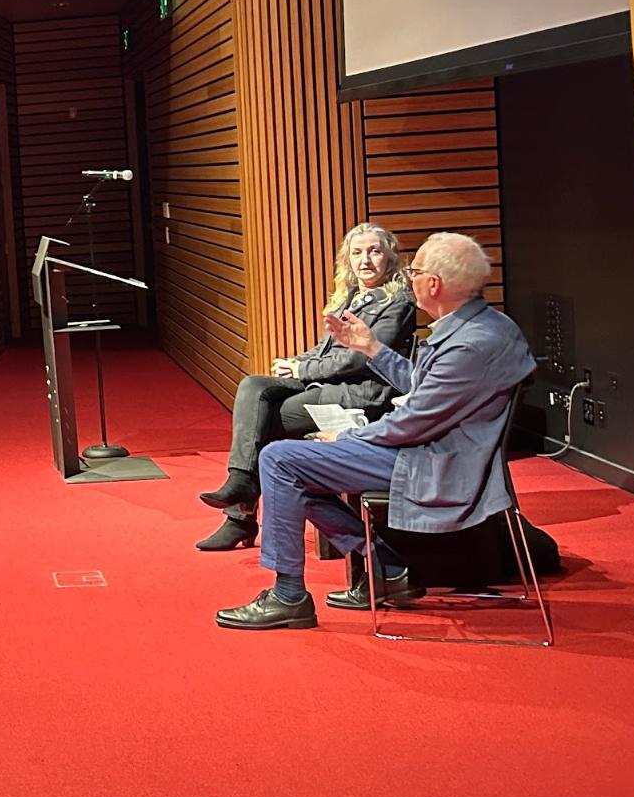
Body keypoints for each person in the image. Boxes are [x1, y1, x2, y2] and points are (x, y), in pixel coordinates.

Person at [216, 232, 537, 631]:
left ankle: (289, 596)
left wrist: (346, 438)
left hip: (439, 464)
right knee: (295, 462)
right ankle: (386, 568)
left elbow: (411, 422)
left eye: (415, 271)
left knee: (279, 459)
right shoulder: (486, 326)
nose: (411, 277)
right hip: (442, 449)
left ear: (433, 284)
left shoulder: (467, 346)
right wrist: (372, 347)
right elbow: (421, 386)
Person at [197, 222, 418, 552]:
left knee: (265, 420)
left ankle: (240, 515)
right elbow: (324, 351)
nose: (366, 260)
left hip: (360, 394)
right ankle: (240, 485)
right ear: (347, 259)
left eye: (374, 251)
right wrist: (296, 361)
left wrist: (303, 368)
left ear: (390, 258)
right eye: (357, 253)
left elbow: (360, 359)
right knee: (253, 386)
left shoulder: (397, 303)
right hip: (327, 385)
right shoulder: (348, 297)